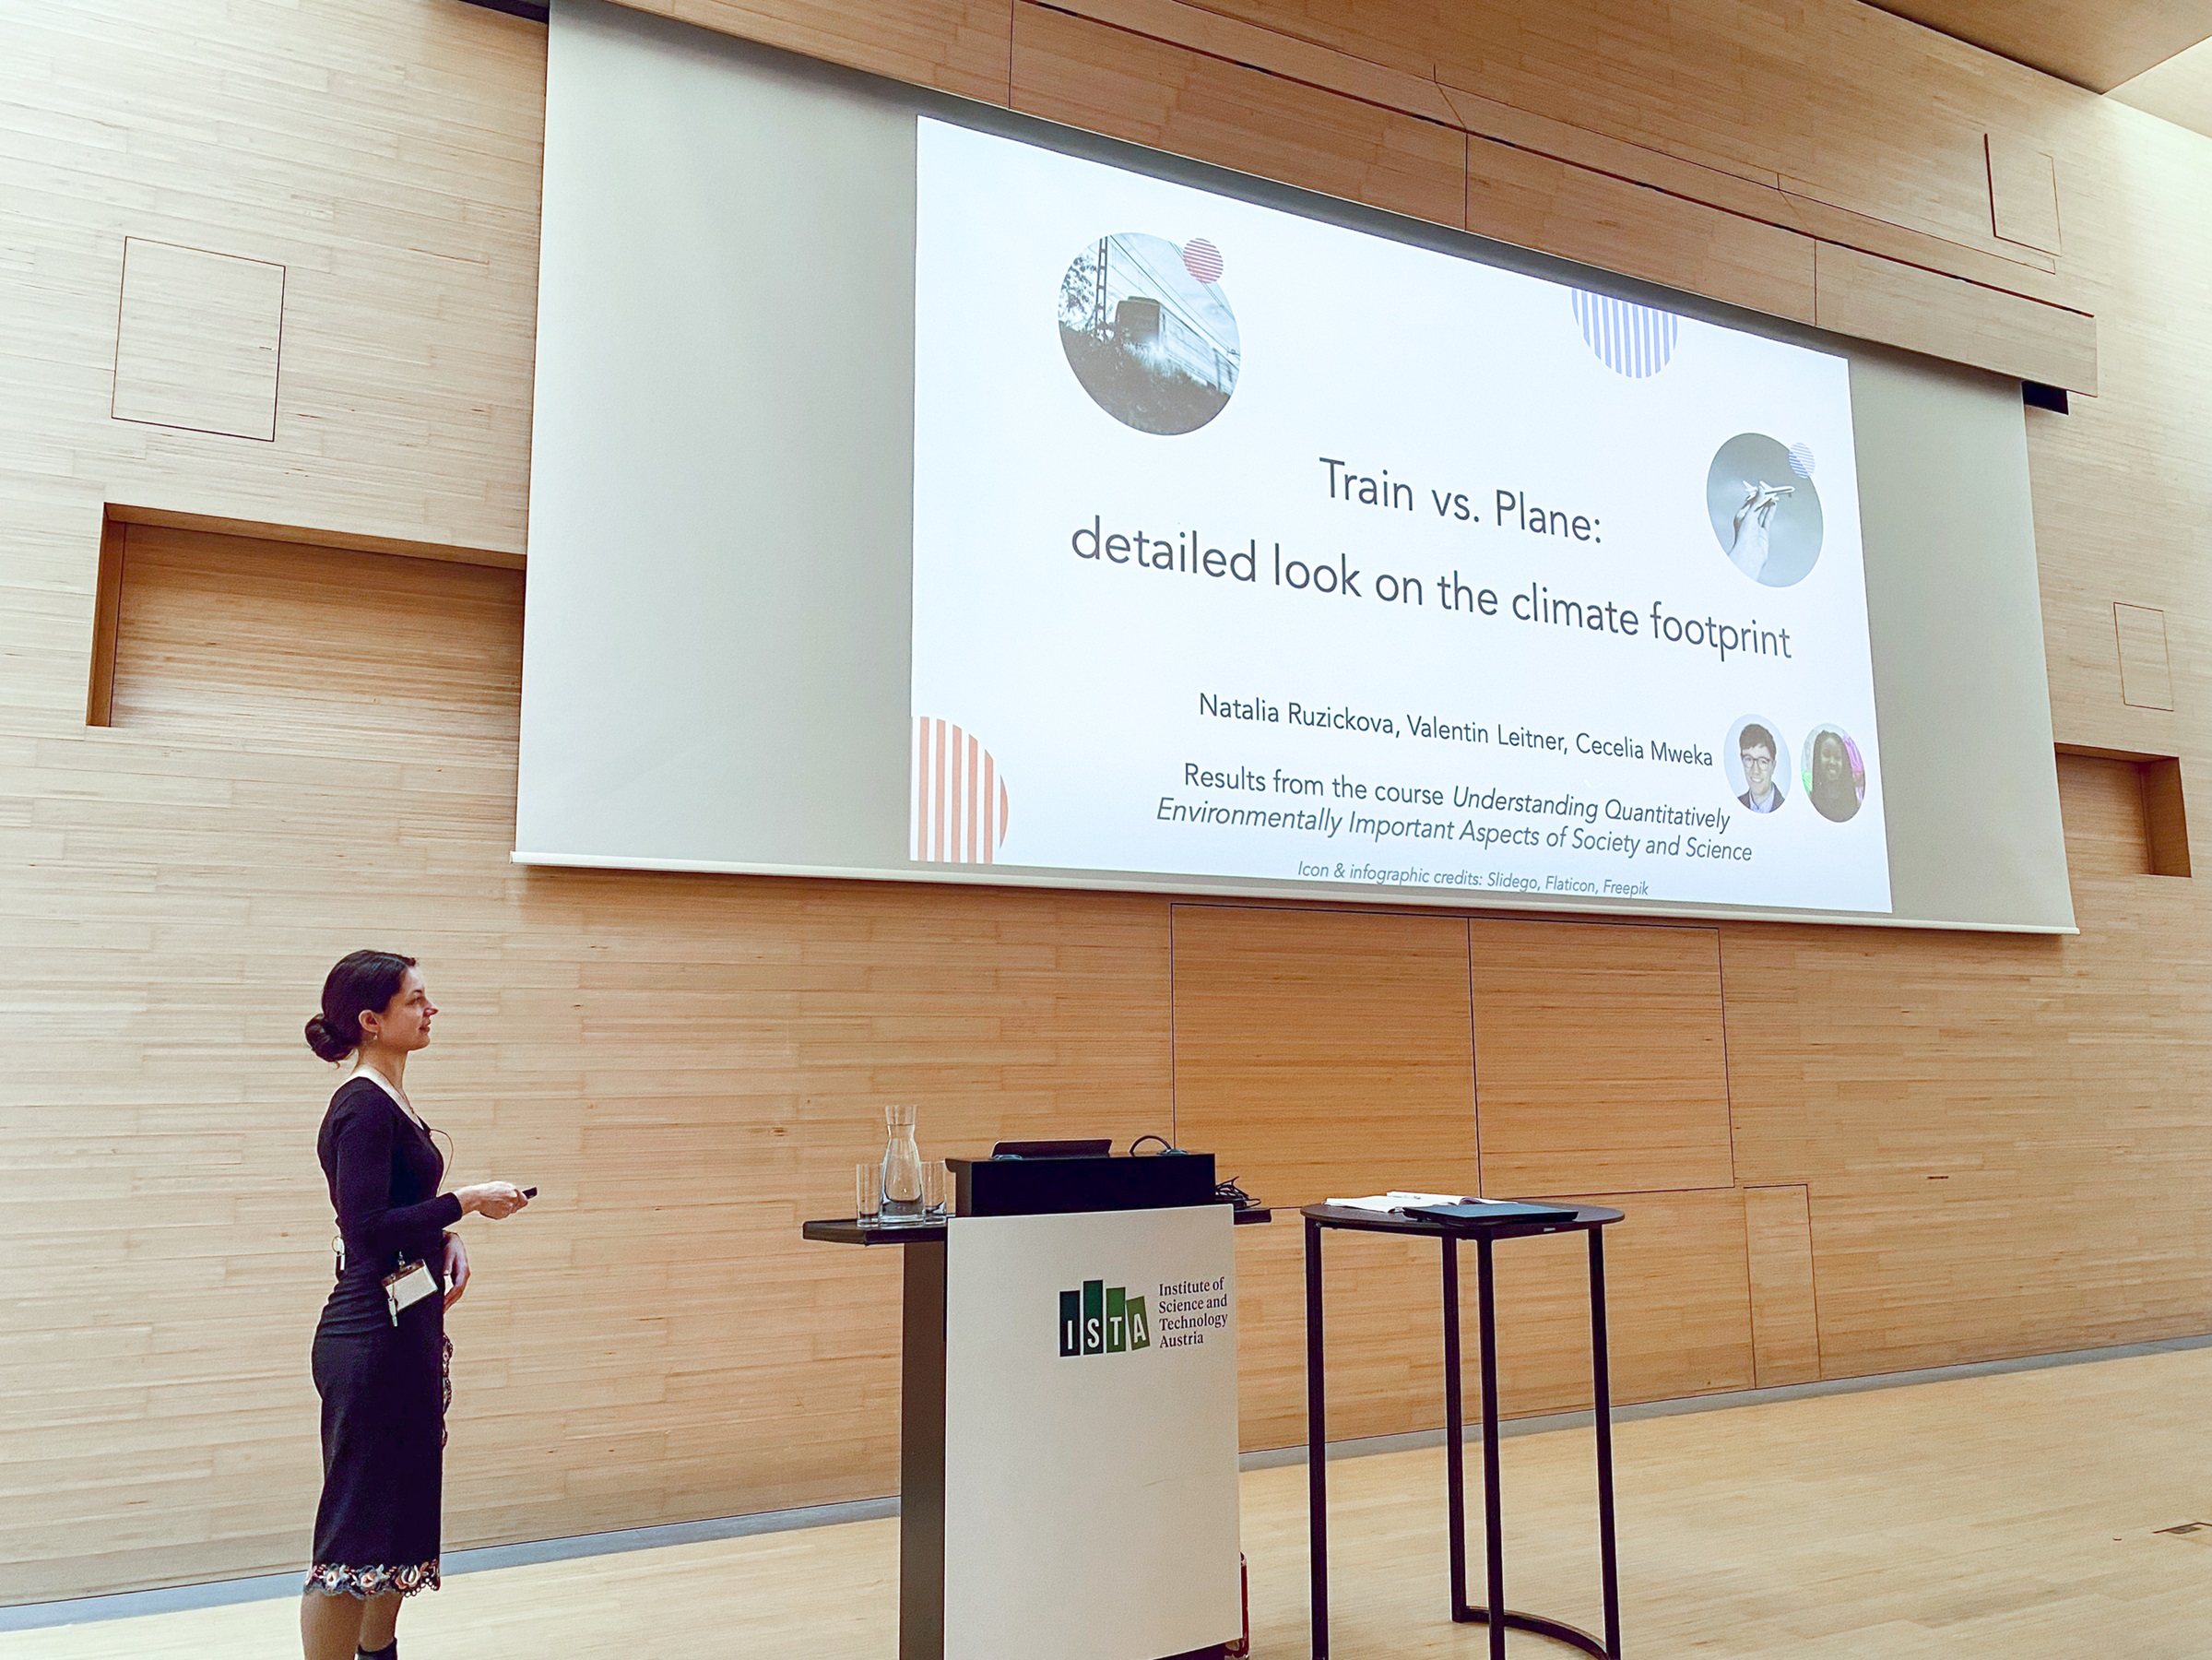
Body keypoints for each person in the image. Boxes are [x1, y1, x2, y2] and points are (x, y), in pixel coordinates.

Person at [300, 951, 529, 1660]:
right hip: (370, 1338)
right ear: (371, 1020)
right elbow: (365, 1228)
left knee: (397, 1518)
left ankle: (379, 1653)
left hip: (405, 1333)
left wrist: (443, 1234)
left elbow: (394, 1212)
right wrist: (466, 1200)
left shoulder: (390, 1100)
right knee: (354, 1532)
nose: (432, 1010)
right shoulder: (363, 1107)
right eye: (416, 1000)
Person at [1808, 728, 1863, 822]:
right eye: (1826, 755)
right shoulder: (1810, 800)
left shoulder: (1856, 802)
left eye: (1837, 757)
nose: (1832, 762)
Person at [1736, 723, 1785, 812]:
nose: (1755, 770)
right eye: (1749, 759)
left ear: (1773, 766)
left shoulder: (1788, 809)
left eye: (1763, 761)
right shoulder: (1734, 805)